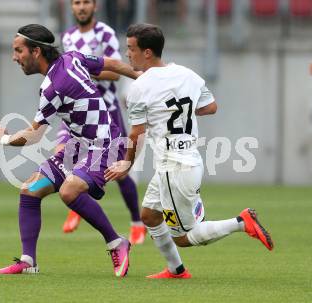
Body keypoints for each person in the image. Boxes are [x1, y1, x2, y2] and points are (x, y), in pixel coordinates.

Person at [105, 23, 274, 279]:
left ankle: (241, 222)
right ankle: (176, 270)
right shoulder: (188, 75)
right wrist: (177, 113)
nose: (127, 54)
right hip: (180, 162)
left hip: (175, 168)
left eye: (131, 48)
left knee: (184, 237)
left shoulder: (139, 87)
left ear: (147, 52)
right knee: (149, 216)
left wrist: (127, 164)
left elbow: (136, 133)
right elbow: (211, 106)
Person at [0, 24, 140, 277]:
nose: (14, 57)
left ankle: (117, 242)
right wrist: (143, 76)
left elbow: (33, 135)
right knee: (30, 190)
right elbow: (114, 65)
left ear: (36, 51)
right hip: (77, 148)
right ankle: (28, 261)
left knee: (69, 191)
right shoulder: (73, 58)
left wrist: (3, 139)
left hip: (105, 145)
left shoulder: (52, 88)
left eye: (18, 51)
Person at [58, 0, 145, 244]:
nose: (81, 7)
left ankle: (137, 222)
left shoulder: (104, 33)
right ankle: (75, 206)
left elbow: (116, 72)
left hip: (106, 109)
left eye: (86, 2)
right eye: (77, 2)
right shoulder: (67, 37)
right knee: (67, 156)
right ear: (72, 7)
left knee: (118, 167)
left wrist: (83, 72)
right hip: (79, 110)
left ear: (95, 6)